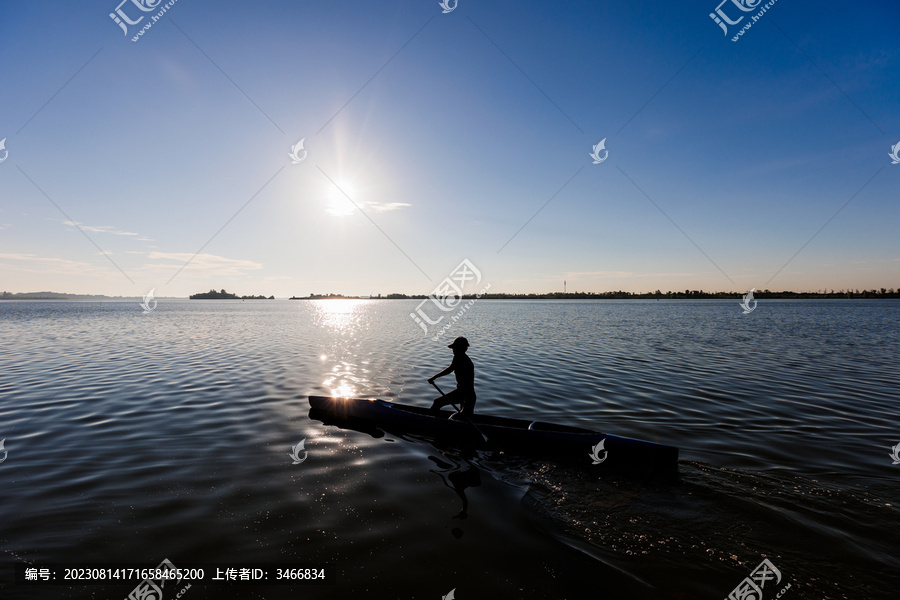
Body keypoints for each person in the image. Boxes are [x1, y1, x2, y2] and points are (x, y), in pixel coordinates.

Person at [428, 336, 476, 416]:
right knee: (464, 418)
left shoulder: (461, 359)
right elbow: (450, 368)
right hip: (465, 394)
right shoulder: (460, 357)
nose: (453, 350)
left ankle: (432, 423)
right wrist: (434, 377)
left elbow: (450, 369)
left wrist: (434, 377)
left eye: (454, 348)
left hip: (465, 395)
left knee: (437, 402)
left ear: (461, 349)